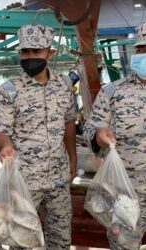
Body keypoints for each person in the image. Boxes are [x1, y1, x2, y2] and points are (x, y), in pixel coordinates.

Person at [0, 24, 77, 250]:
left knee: (60, 240)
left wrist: (73, 160)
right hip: (24, 180)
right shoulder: (8, 90)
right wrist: (5, 146)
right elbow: (1, 132)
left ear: (50, 53)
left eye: (36, 51)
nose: (30, 57)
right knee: (23, 242)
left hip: (58, 177)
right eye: (25, 51)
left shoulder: (64, 84)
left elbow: (69, 122)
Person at [83, 23, 146, 250]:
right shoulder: (113, 91)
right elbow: (91, 127)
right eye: (141, 49)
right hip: (125, 192)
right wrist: (98, 134)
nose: (144, 54)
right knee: (124, 245)